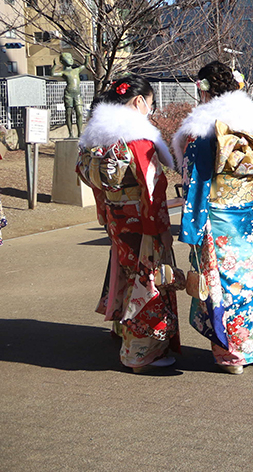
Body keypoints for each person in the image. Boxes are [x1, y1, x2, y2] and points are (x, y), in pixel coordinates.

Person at [173, 61, 253, 374]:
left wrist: (192, 227)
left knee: (225, 285)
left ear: (204, 90)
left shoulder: (204, 129)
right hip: (251, 216)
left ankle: (232, 356)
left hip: (219, 218)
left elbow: (194, 182)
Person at [77, 75, 187, 373]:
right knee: (148, 279)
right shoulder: (137, 137)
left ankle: (123, 331)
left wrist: (106, 213)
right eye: (150, 104)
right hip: (141, 221)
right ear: (139, 101)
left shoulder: (97, 135)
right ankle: (140, 353)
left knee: (127, 273)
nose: (150, 110)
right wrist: (161, 230)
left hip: (117, 217)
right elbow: (152, 188)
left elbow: (90, 178)